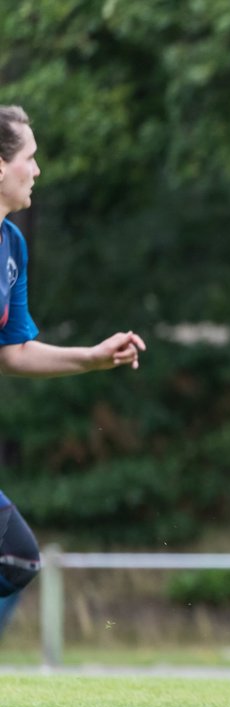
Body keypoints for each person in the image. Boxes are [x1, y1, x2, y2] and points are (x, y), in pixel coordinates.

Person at [0, 105, 147, 629]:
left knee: (15, 558)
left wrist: (91, 358)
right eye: (30, 158)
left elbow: (11, 352)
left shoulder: (11, 246)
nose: (37, 170)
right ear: (0, 166)